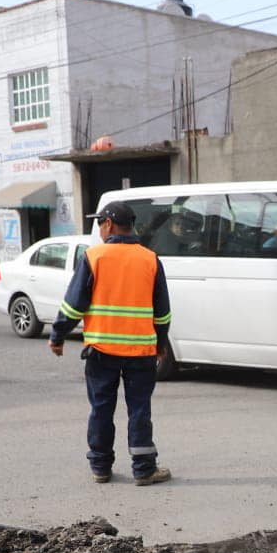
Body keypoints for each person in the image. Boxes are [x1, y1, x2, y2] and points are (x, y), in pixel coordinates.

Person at [49, 201, 174, 486]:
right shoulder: (150, 259)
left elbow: (73, 304)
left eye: (99, 223)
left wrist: (57, 335)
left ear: (109, 224)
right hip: (141, 352)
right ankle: (143, 469)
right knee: (139, 409)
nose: (99, 229)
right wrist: (161, 343)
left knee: (102, 408)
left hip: (102, 350)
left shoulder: (95, 257)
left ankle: (101, 468)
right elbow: (163, 311)